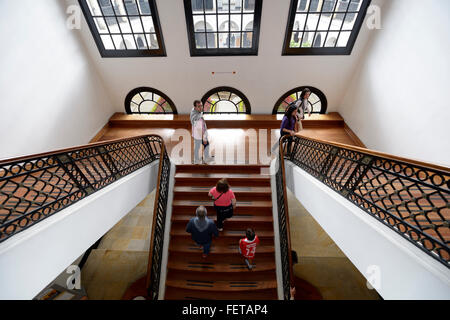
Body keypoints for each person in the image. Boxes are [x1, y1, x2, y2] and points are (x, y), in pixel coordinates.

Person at [190, 100, 213, 164]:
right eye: (199, 106)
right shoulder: (197, 118)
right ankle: (203, 159)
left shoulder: (194, 111)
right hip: (199, 135)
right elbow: (200, 129)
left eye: (201, 106)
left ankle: (198, 159)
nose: (201, 108)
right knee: (205, 145)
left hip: (196, 134)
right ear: (195, 107)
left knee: (198, 146)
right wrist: (204, 137)